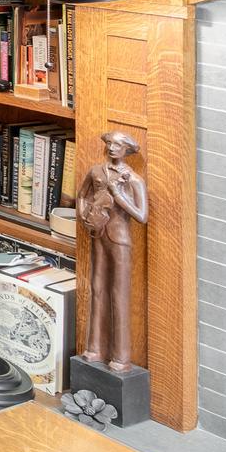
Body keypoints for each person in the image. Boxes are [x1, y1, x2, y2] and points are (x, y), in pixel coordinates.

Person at [79, 130, 150, 369]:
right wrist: (85, 215)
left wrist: (118, 194)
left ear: (127, 150)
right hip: (97, 233)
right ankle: (94, 348)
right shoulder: (96, 171)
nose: (111, 148)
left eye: (117, 145)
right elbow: (82, 195)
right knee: (97, 288)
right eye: (109, 143)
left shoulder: (134, 180)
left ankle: (120, 357)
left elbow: (141, 215)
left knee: (119, 294)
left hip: (119, 239)